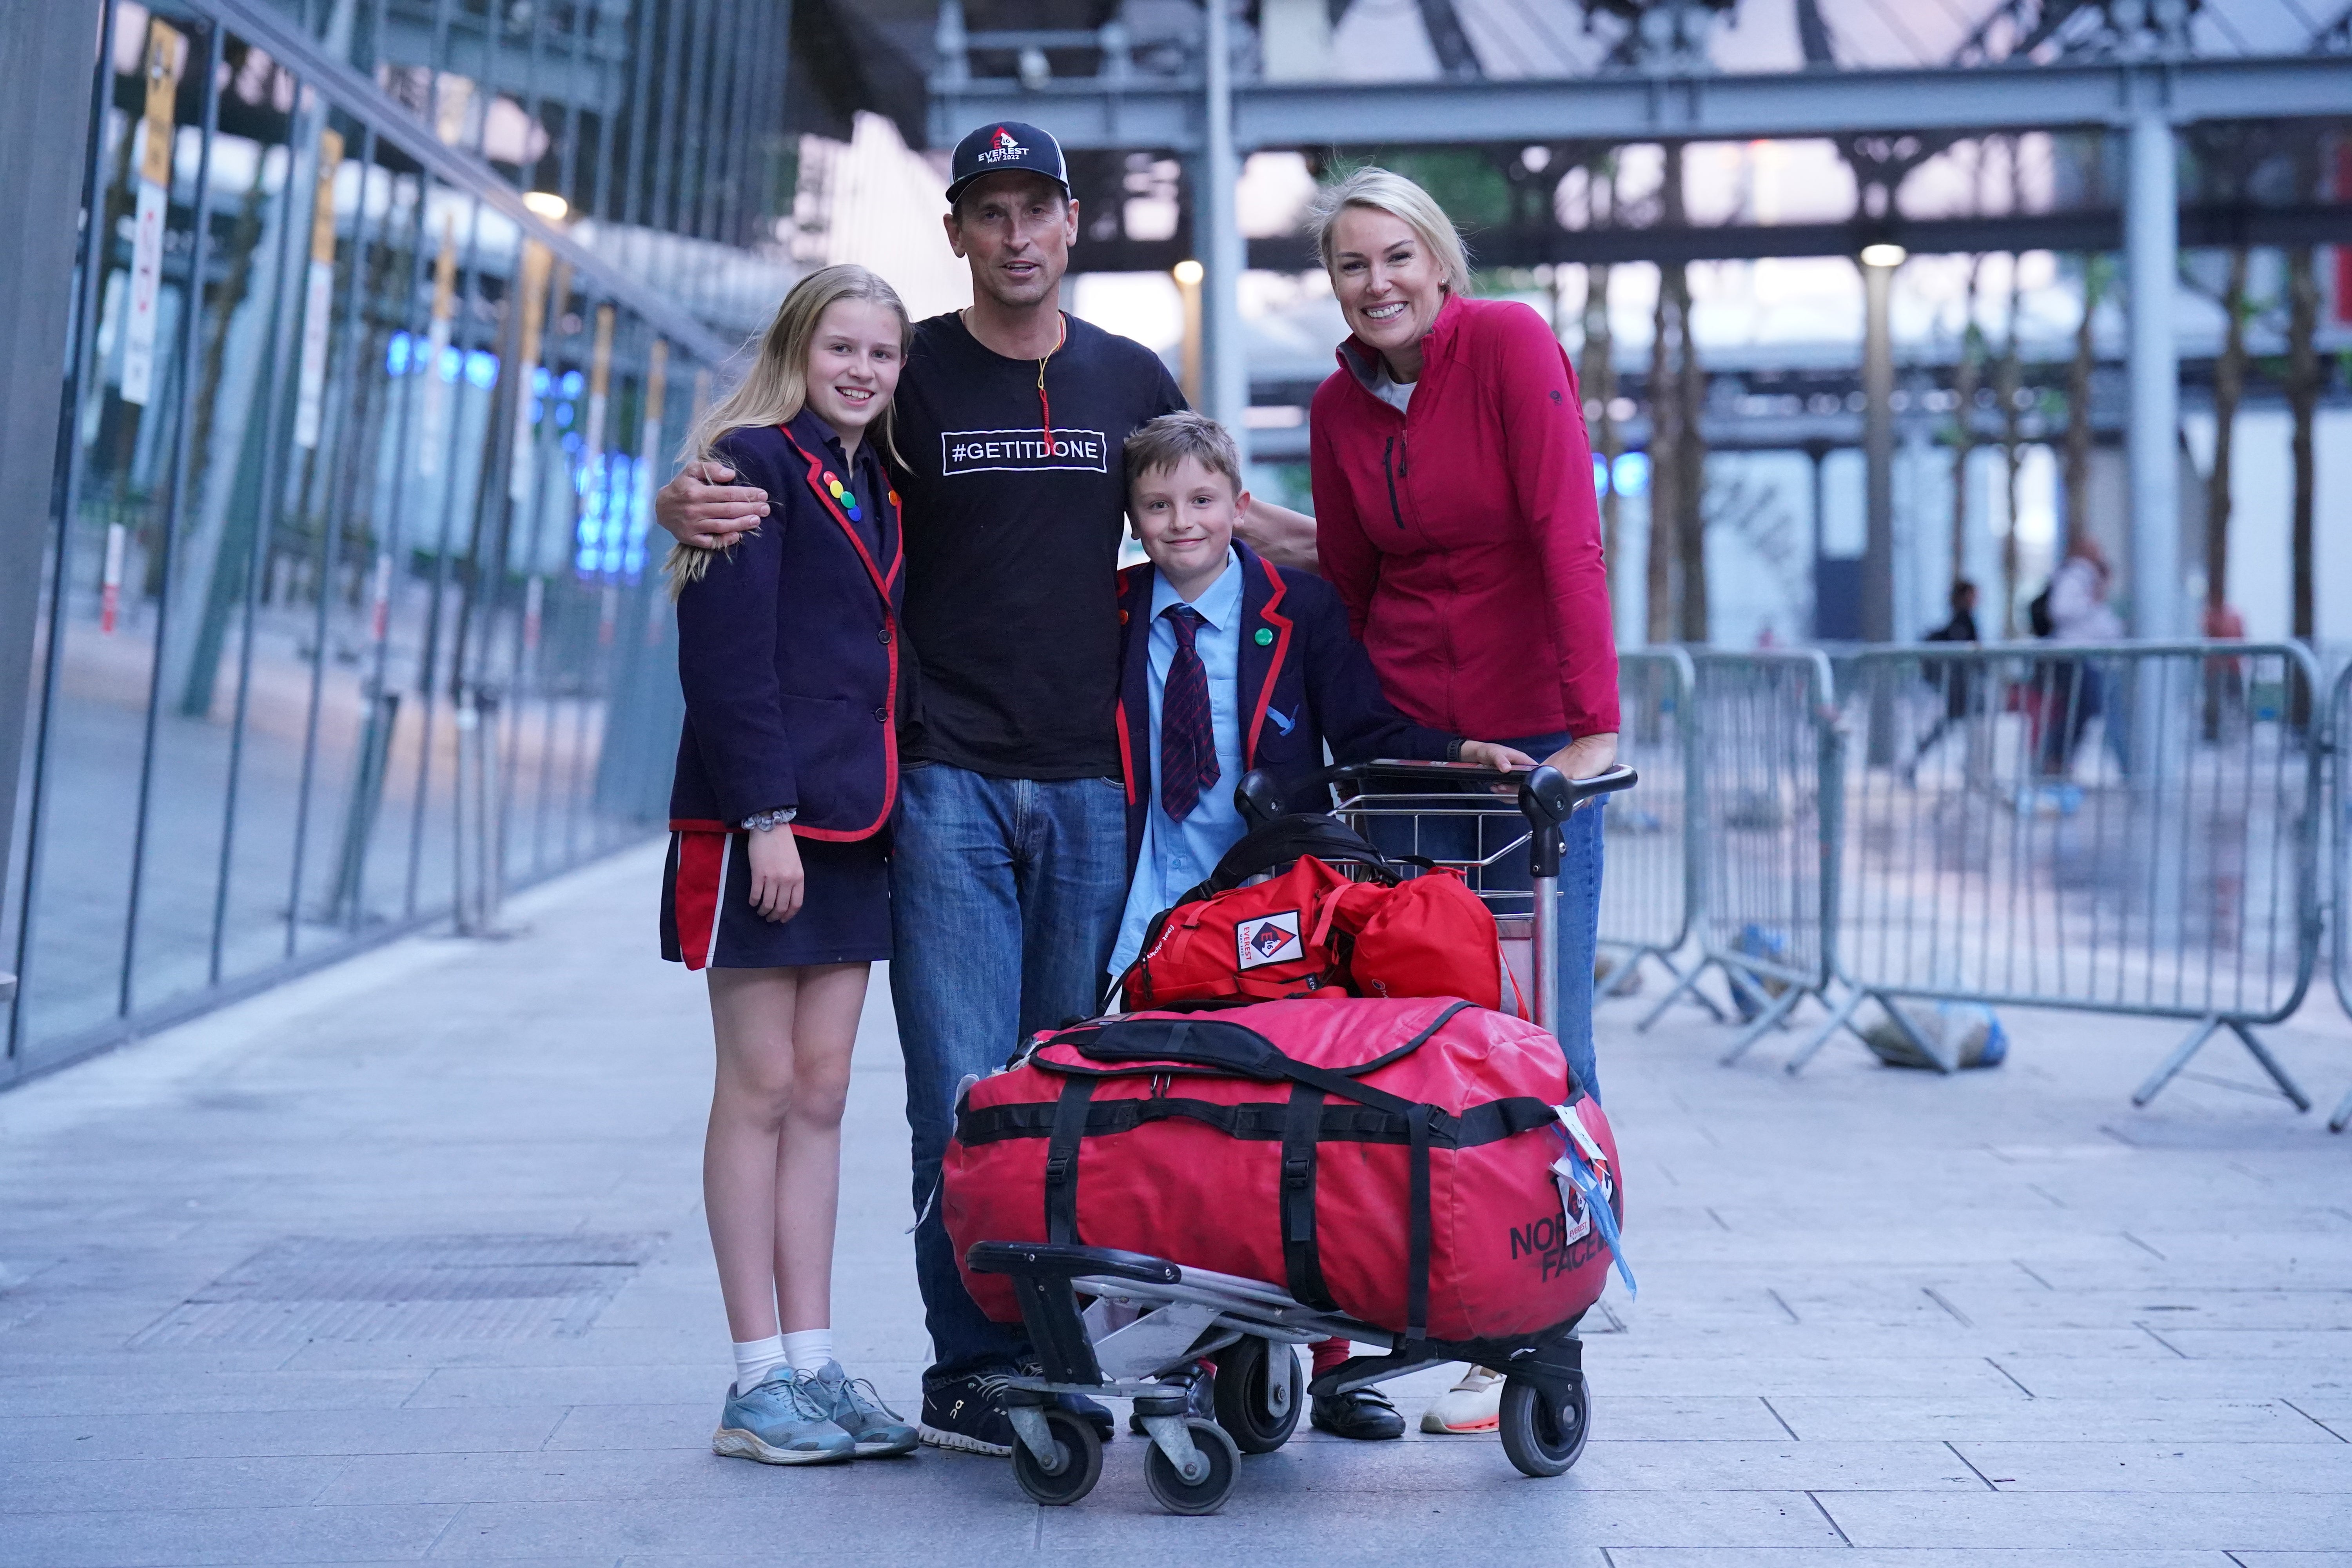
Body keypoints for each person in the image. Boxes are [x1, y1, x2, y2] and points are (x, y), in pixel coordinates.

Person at [651, 122, 1318, 1458]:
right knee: (957, 1090)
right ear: (956, 232)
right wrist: (685, 497)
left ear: (1072, 226)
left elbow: (1215, 524)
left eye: (1039, 211)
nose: (1017, 235)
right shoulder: (911, 377)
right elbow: (796, 469)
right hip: (941, 783)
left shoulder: (1131, 375)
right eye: (990, 213)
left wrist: (1376, 563)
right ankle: (972, 1363)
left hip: (1090, 789)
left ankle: (1063, 1345)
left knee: (1067, 1083)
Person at [1103, 412, 1535, 1441]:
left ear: (1239, 504)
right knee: (1174, 1126)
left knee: (1295, 1118)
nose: (1183, 524)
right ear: (1132, 517)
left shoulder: (1298, 605)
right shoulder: (1109, 609)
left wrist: (1462, 750)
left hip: (1269, 899)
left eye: (1203, 501)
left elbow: (1368, 727)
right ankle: (1201, 1353)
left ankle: (1335, 1361)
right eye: (1158, 507)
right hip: (1138, 897)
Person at [1300, 167, 1621, 1437]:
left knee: (1545, 1039)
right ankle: (1432, 1292)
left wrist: (1593, 731)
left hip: (1535, 744)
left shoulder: (1506, 344)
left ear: (1440, 263)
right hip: (1412, 755)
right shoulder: (1336, 405)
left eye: (1394, 258)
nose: (1375, 284)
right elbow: (1355, 581)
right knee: (1418, 1040)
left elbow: (1565, 530)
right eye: (1350, 266)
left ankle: (1541, 1330)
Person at [661, 264, 920, 1467]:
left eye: (882, 352)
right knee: (757, 1085)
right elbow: (724, 660)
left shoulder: (881, 484)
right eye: (842, 348)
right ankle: (753, 1377)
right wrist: (764, 812)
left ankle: (813, 1362)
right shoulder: (750, 465)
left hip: (855, 823)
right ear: (799, 350)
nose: (862, 369)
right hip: (763, 826)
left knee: (821, 1091)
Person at [2036, 534, 2122, 778]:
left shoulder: (2084, 578)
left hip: (2083, 656)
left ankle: (2059, 761)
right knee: (2079, 710)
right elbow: (2063, 610)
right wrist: (2091, 601)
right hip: (2074, 655)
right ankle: (2055, 761)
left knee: (2080, 710)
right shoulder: (2078, 577)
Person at [1906, 579, 1980, 781]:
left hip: (1963, 685)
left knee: (1954, 728)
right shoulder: (1962, 622)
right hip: (1961, 686)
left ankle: (1973, 769)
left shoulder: (1964, 620)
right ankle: (1973, 770)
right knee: (1955, 727)